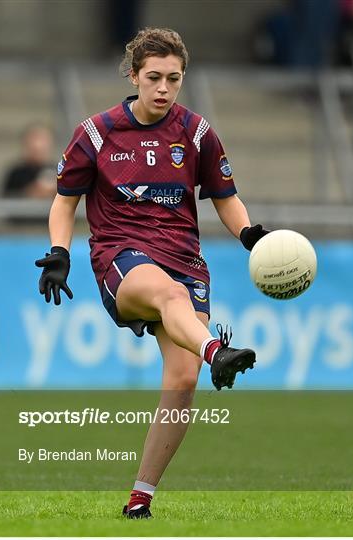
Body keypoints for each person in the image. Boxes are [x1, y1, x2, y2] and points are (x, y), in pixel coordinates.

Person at [35, 28, 269, 519]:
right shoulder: (97, 133)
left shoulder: (197, 133)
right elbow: (64, 201)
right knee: (166, 295)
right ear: (134, 75)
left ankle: (139, 499)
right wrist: (61, 251)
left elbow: (225, 199)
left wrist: (249, 236)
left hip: (186, 259)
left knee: (182, 382)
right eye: (155, 77)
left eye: (174, 79)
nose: (164, 88)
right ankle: (216, 350)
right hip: (121, 256)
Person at [1, 123, 57, 199]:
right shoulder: (16, 174)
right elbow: (6, 201)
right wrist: (32, 191)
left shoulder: (59, 171)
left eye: (43, 139)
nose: (38, 144)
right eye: (35, 138)